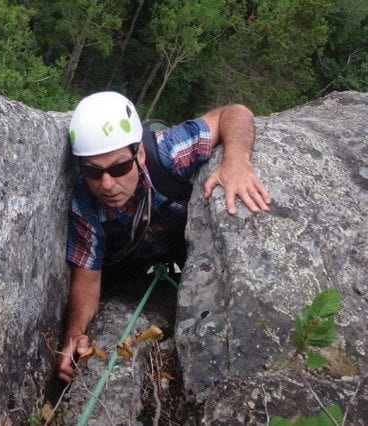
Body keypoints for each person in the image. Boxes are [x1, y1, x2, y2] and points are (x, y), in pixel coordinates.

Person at [58, 91, 271, 382]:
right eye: (93, 171)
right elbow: (87, 279)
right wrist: (75, 335)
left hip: (183, 241)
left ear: (140, 154)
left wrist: (235, 160)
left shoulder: (168, 153)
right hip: (134, 258)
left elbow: (233, 113)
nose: (106, 184)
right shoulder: (85, 205)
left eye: (119, 167)